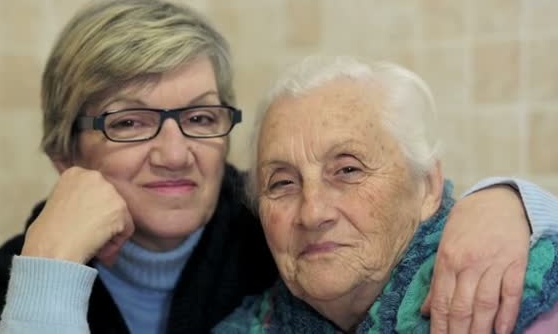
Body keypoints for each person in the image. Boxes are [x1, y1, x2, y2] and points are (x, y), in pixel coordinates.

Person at [0, 0, 557, 334]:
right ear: (66, 154)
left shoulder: (278, 223)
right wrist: (51, 268)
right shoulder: (0, 290)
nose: (174, 152)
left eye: (200, 116)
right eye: (129, 122)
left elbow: (410, 214)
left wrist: (510, 201)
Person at [214, 56, 558, 333]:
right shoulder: (244, 326)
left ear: (427, 187)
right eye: (282, 183)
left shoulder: (519, 294)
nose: (313, 213)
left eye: (348, 170)